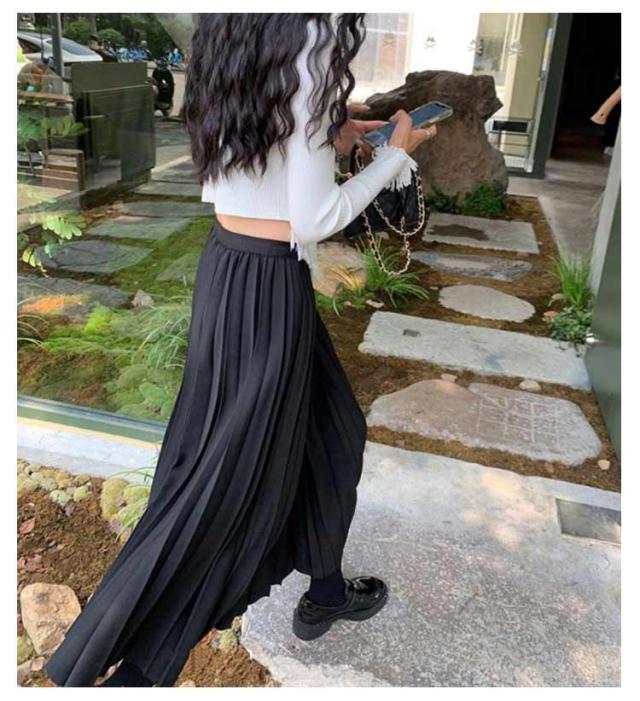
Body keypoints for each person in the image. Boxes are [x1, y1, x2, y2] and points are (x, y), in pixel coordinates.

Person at [44, 13, 436, 688]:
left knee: (331, 430)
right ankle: (132, 672)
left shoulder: (236, 26)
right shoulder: (311, 35)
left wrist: (333, 125)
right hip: (269, 284)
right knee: (221, 482)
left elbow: (262, 139)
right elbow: (315, 217)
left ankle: (326, 590)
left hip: (231, 267)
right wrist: (396, 152)